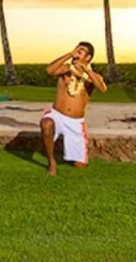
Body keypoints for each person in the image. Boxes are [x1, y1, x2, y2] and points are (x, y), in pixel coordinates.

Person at [42, 42, 107, 176]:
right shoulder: (66, 69)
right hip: (57, 115)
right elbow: (49, 70)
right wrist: (69, 55)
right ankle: (51, 162)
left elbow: (102, 88)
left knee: (80, 165)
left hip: (76, 122)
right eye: (76, 49)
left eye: (81, 51)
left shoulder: (92, 77)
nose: (77, 52)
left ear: (88, 57)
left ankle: (72, 152)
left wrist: (86, 70)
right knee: (46, 124)